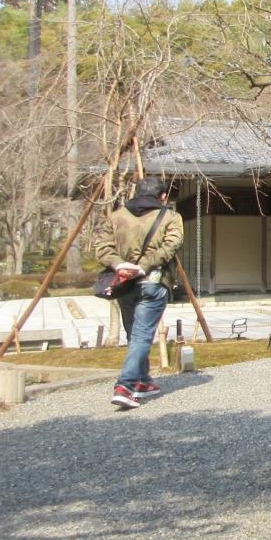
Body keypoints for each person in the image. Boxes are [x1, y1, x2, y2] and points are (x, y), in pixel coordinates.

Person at [93, 176, 184, 410]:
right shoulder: (170, 217)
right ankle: (125, 386)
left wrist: (119, 265)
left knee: (134, 334)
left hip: (124, 283)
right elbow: (171, 245)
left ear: (137, 192)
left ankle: (142, 381)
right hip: (153, 281)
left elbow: (102, 247)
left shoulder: (116, 216)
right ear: (162, 196)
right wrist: (143, 266)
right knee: (142, 335)